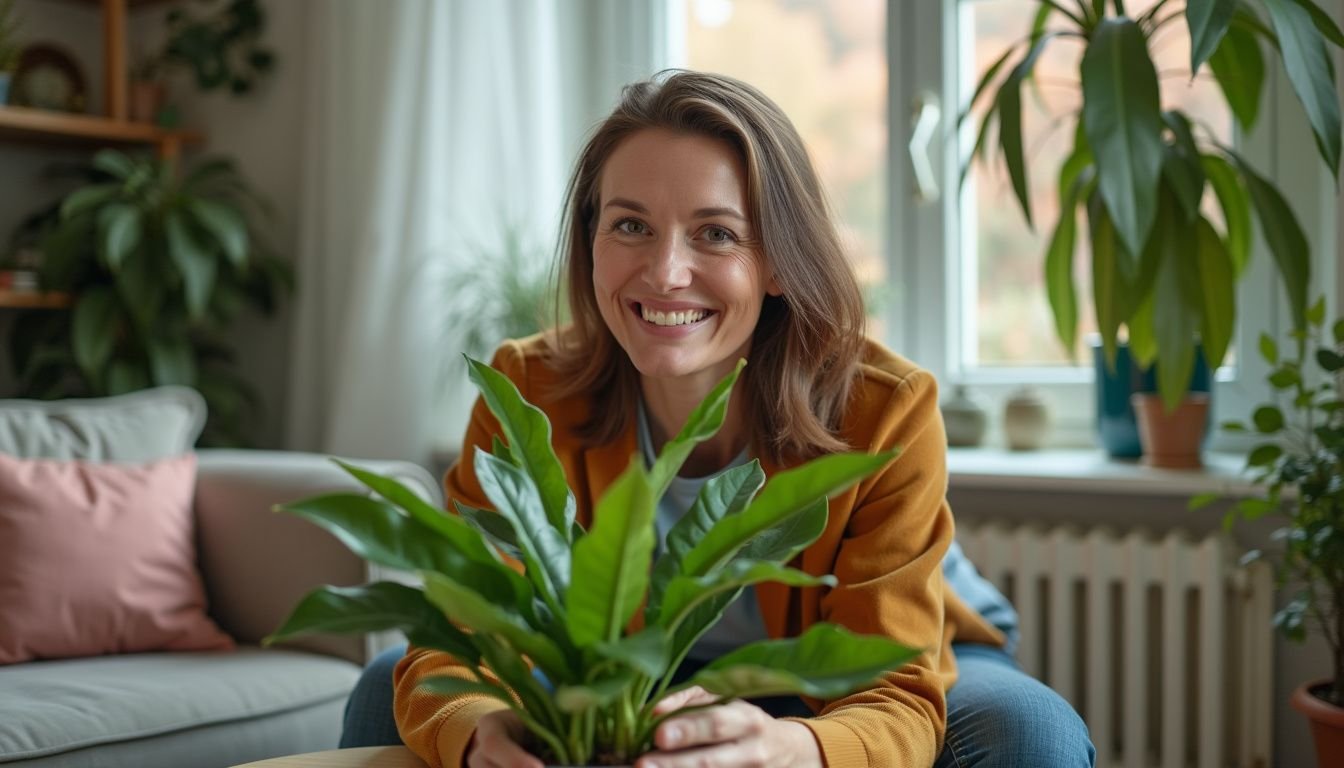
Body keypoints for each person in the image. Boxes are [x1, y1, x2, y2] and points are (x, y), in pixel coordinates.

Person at [359, 70, 1094, 768]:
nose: (665, 272)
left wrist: (797, 748)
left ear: (777, 261)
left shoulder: (886, 408)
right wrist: (475, 732)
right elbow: (462, 638)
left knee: (1028, 730)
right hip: (619, 674)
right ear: (591, 244)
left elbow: (894, 690)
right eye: (629, 226)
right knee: (387, 690)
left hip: (874, 662)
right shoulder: (527, 390)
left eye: (715, 233)